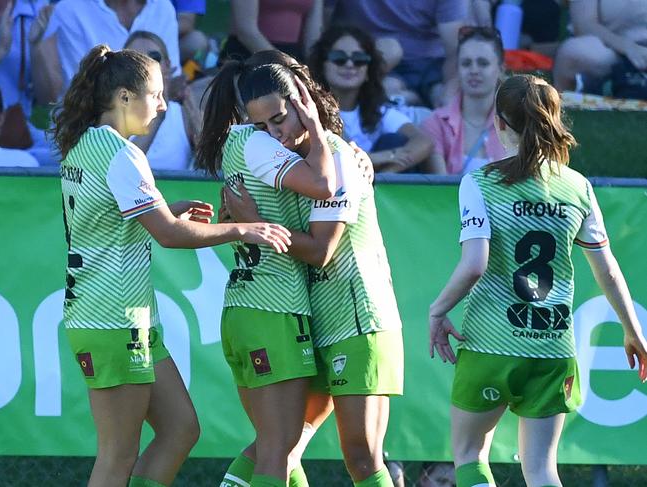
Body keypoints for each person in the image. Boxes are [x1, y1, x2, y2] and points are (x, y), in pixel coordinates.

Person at [53, 44, 292, 487]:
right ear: (124, 97)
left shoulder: (85, 144)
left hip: (115, 319)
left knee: (181, 429)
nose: (163, 105)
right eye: (156, 94)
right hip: (112, 320)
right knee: (116, 457)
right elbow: (169, 235)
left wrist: (163, 209)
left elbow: (108, 226)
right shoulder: (122, 154)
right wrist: (245, 229)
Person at [428, 74, 647, 487]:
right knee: (542, 468)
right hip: (551, 347)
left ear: (500, 124)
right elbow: (608, 268)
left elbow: (475, 264)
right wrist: (632, 331)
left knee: (470, 455)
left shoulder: (480, 182)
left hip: (491, 343)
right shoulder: (577, 186)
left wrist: (438, 310)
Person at [198, 58, 403, 487]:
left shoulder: (340, 159)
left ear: (303, 102)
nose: (276, 133)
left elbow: (323, 250)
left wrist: (255, 225)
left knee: (361, 457)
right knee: (280, 447)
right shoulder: (285, 160)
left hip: (356, 318)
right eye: (264, 126)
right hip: (309, 319)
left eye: (279, 119)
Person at [309, 25, 433, 173]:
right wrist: (383, 156)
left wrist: (387, 174)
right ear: (322, 66)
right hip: (331, 189)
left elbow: (424, 142)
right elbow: (342, 155)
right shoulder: (310, 110)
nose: (350, 64)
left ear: (368, 70)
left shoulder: (379, 111)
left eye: (359, 59)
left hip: (375, 188)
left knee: (395, 141)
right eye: (339, 58)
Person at [34, 0, 180, 104]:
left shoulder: (163, 7)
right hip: (91, 131)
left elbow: (171, 78)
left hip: (155, 118)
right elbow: (83, 92)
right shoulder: (71, 9)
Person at [329, 0, 467, 107]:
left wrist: (449, 92)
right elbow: (324, 29)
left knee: (449, 98)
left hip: (430, 66)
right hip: (375, 64)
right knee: (390, 59)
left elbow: (455, 49)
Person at [421, 26, 506, 175]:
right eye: (466, 63)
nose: (474, 70)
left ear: (501, 69)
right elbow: (440, 191)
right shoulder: (435, 124)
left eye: (483, 63)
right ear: (458, 69)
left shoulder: (517, 124)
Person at [124, 30, 201, 170]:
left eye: (154, 57)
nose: (144, 66)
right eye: (134, 59)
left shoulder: (184, 112)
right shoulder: (111, 114)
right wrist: (157, 119)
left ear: (167, 65)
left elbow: (215, 165)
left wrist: (193, 110)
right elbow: (124, 168)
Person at [553, 0, 647, 92]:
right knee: (572, 51)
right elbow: (584, 24)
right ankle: (561, 104)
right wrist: (628, 47)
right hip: (611, 48)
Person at [218, 0, 323, 63]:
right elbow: (246, 31)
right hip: (247, 55)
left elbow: (313, 37)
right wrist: (285, 63)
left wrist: (316, 66)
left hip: (293, 56)